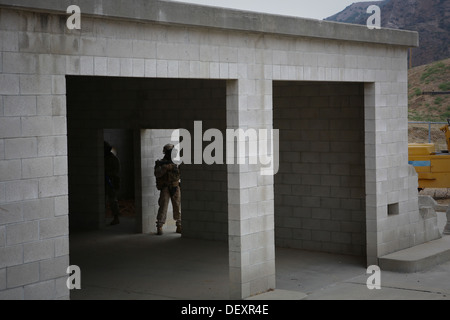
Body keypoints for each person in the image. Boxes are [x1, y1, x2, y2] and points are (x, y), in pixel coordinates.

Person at [154, 144, 182, 235]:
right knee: (163, 206)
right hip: (165, 187)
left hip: (175, 186)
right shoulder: (161, 163)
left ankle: (179, 225)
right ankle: (159, 226)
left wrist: (174, 167)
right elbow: (157, 174)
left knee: (177, 206)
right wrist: (165, 168)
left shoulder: (176, 162)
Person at [104, 141, 121, 226]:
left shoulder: (113, 159)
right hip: (107, 181)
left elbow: (116, 172)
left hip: (111, 182)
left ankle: (116, 217)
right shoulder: (105, 158)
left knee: (112, 200)